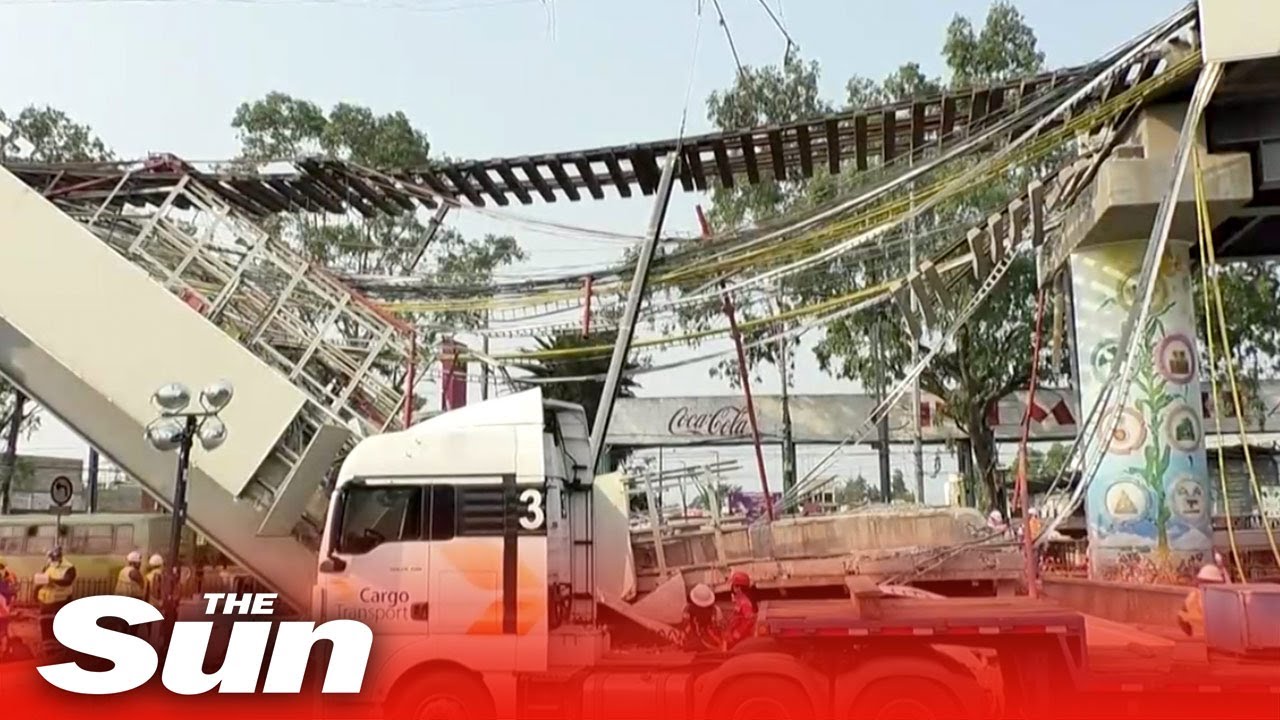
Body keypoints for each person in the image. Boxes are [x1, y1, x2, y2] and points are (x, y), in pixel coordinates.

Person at [35, 547, 76, 648]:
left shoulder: (69, 568)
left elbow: (67, 581)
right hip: (46, 600)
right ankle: (47, 643)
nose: (51, 561)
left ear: (59, 557)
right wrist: (36, 592)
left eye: (53, 558)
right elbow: (42, 580)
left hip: (61, 600)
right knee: (45, 621)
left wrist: (52, 580)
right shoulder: (48, 566)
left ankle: (60, 644)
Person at [1177, 564, 1226, 638]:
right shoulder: (1193, 597)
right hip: (1203, 638)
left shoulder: (1222, 599)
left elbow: (1181, 618)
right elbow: (1181, 617)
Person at [678, 583, 725, 651]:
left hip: (695, 644)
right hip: (710, 644)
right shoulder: (716, 610)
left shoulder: (687, 610)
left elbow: (684, 628)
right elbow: (721, 629)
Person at [725, 571, 758, 647]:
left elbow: (749, 621)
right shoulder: (740, 600)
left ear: (739, 587)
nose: (732, 588)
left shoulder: (745, 603)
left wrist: (737, 634)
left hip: (740, 639)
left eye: (734, 586)